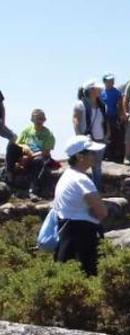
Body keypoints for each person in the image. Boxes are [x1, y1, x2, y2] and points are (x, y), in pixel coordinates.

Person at [53, 135, 108, 276]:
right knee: (87, 279)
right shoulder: (81, 180)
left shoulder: (66, 177)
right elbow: (101, 212)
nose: (95, 156)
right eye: (91, 153)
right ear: (79, 156)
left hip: (67, 237)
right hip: (82, 239)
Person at [73, 79, 108, 188]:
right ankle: (82, 189)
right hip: (86, 140)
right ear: (92, 90)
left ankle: (96, 189)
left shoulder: (102, 105)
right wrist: (80, 138)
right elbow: (75, 121)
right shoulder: (80, 105)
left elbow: (104, 121)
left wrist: (108, 134)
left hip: (100, 138)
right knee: (83, 165)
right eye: (98, 88)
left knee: (97, 166)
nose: (100, 90)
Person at [13, 109, 55, 200]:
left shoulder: (48, 134)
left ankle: (33, 190)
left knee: (38, 161)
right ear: (32, 119)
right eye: (37, 118)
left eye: (41, 119)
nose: (39, 121)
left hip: (40, 157)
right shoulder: (27, 131)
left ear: (44, 120)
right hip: (27, 154)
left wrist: (31, 156)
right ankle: (8, 176)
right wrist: (24, 147)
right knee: (11, 149)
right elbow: (17, 143)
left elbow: (46, 152)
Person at [100, 74, 124, 162]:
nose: (111, 82)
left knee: (116, 135)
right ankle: (106, 154)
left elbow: (120, 105)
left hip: (114, 117)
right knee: (106, 136)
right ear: (105, 82)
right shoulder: (101, 93)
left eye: (112, 80)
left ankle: (116, 155)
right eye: (109, 81)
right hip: (104, 118)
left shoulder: (117, 92)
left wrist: (121, 115)